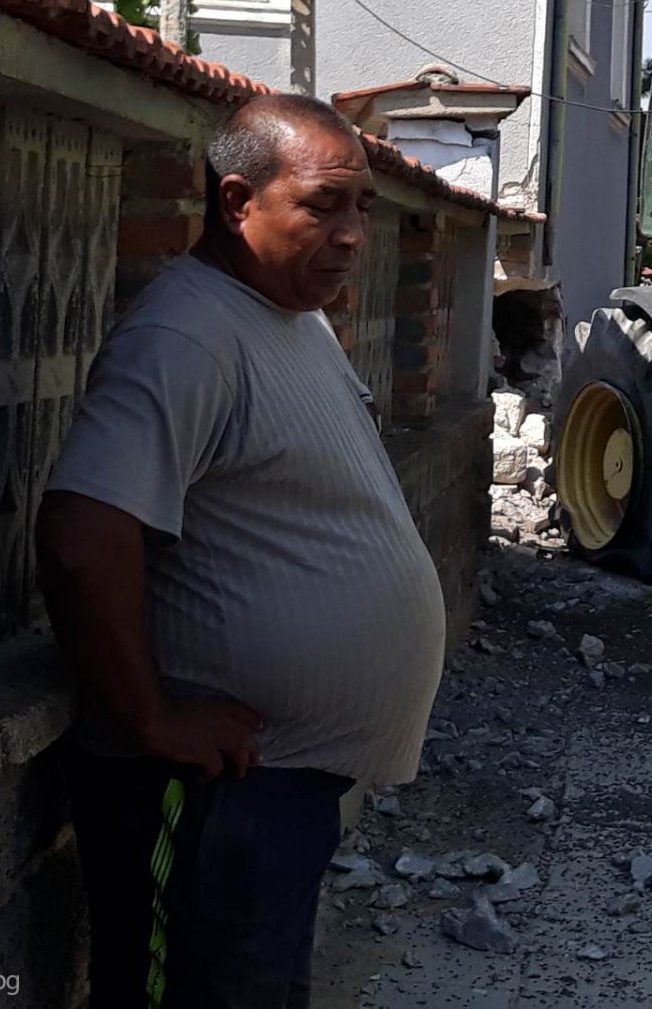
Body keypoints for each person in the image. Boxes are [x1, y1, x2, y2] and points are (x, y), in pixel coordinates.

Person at [37, 94, 447, 1009]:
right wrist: (152, 720)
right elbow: (82, 534)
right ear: (236, 202)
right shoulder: (184, 337)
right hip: (204, 789)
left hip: (274, 784)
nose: (350, 236)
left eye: (362, 211)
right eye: (321, 205)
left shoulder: (290, 318)